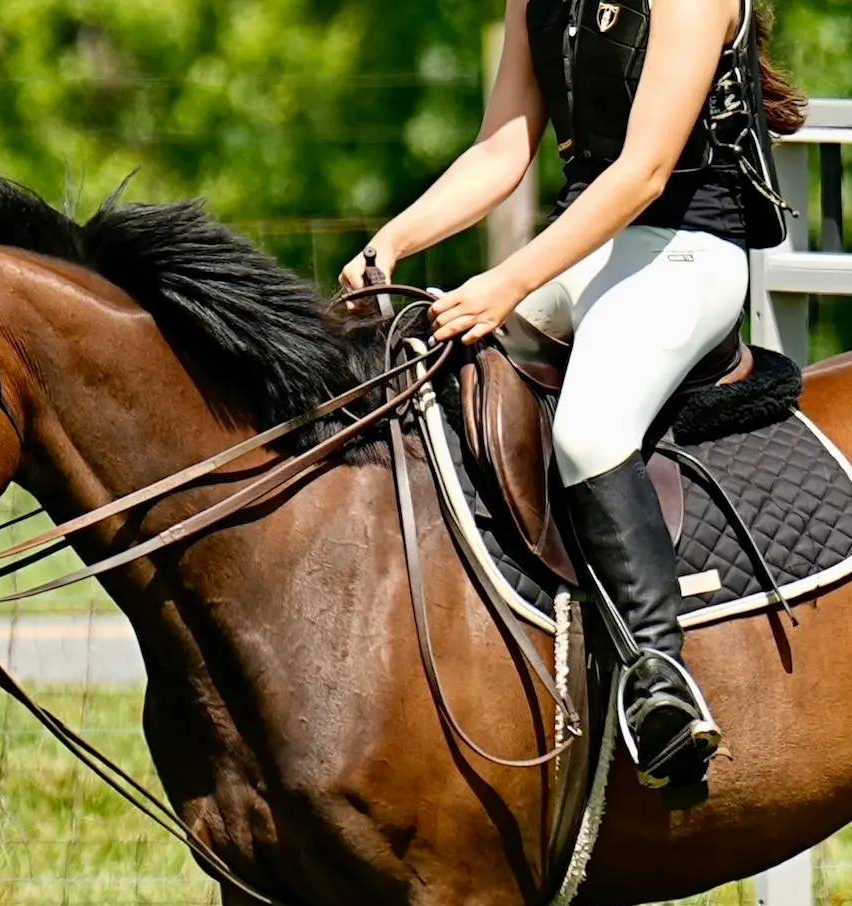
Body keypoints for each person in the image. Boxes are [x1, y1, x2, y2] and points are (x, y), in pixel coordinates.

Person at [344, 0, 805, 798]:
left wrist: (504, 284)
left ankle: (659, 677)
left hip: (686, 254)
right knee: (426, 369)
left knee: (590, 430)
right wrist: (393, 241)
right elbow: (499, 149)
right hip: (585, 251)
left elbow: (643, 173)